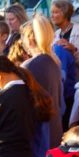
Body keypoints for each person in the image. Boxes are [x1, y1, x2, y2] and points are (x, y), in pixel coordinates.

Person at [21, 15, 62, 148]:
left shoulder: (29, 66)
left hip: (38, 135)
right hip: (53, 129)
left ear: (29, 40)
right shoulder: (53, 62)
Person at [51, 0, 79, 69]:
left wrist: (74, 50)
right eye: (52, 12)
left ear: (65, 14)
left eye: (55, 12)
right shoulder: (56, 34)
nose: (52, 16)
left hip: (76, 79)